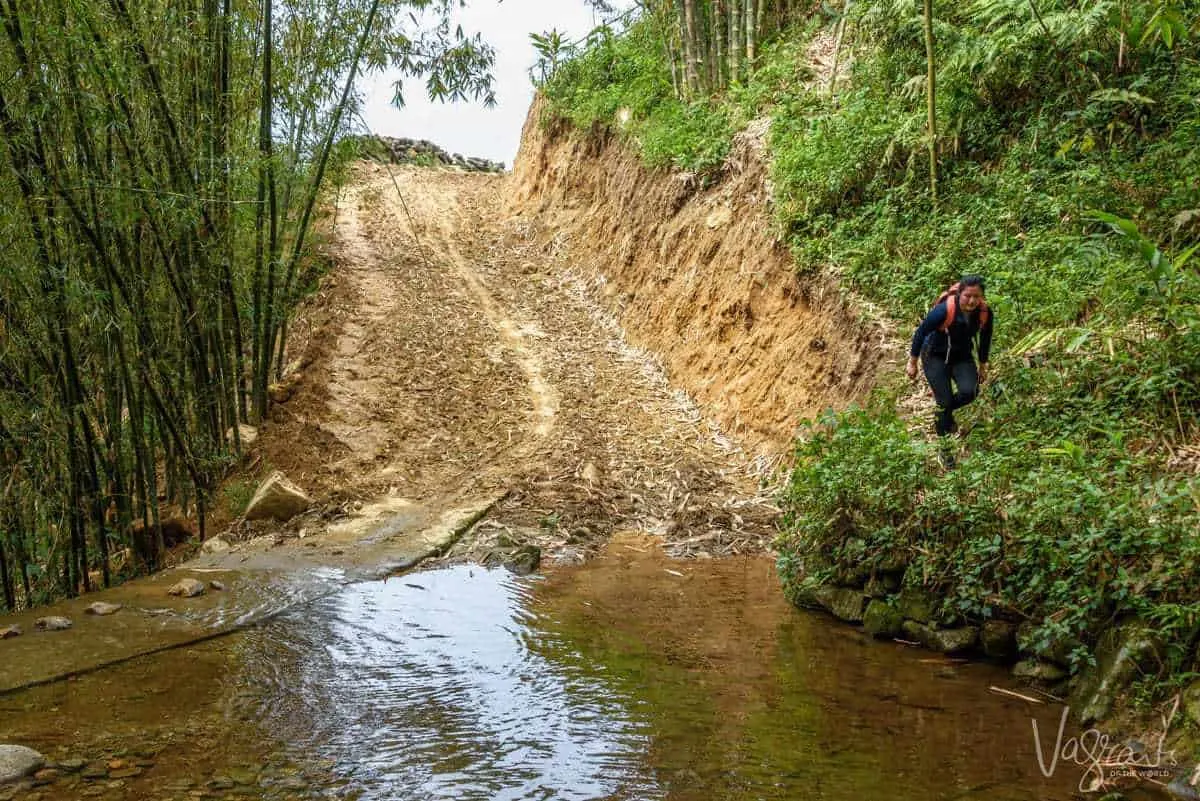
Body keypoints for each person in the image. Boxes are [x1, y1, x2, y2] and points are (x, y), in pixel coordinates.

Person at [906, 275, 993, 437]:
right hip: (934, 355)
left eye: (977, 297)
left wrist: (982, 365)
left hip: (962, 356)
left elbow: (985, 338)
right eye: (968, 296)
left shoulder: (984, 312)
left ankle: (943, 414)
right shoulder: (944, 310)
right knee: (944, 401)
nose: (972, 301)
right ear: (960, 294)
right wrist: (912, 362)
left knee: (970, 391)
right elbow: (921, 332)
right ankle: (944, 445)